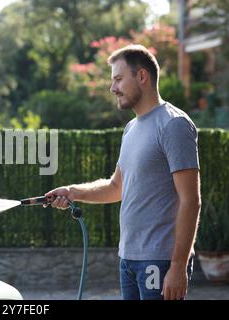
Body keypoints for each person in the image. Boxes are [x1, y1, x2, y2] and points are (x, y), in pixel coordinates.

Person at [45, 44, 201, 300]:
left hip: (160, 261)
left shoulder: (174, 125)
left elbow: (191, 201)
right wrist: (73, 191)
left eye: (118, 79)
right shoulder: (131, 129)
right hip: (128, 259)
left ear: (142, 76)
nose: (112, 88)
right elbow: (116, 187)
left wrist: (177, 267)